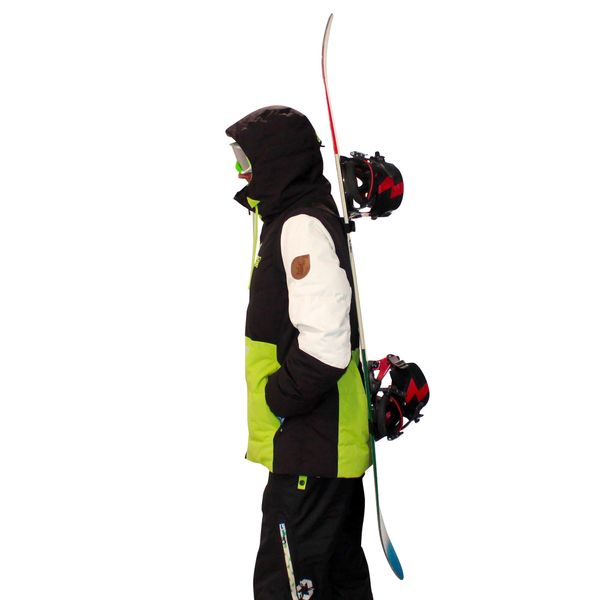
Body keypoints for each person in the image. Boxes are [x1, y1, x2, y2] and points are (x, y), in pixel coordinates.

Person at [226, 105, 374, 600]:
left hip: (310, 447)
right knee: (336, 584)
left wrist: (278, 401)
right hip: (320, 449)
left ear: (278, 161)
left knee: (288, 588)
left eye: (246, 159)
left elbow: (326, 344)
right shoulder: (294, 220)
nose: (240, 172)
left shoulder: (300, 226)